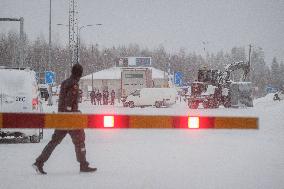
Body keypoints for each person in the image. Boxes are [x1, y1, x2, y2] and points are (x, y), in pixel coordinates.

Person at [33, 64, 97, 175]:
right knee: (79, 140)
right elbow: (68, 102)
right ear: (80, 73)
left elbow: (64, 101)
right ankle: (83, 165)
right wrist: (74, 113)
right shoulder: (74, 84)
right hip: (70, 118)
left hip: (62, 117)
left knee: (54, 142)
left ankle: (39, 162)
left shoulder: (65, 82)